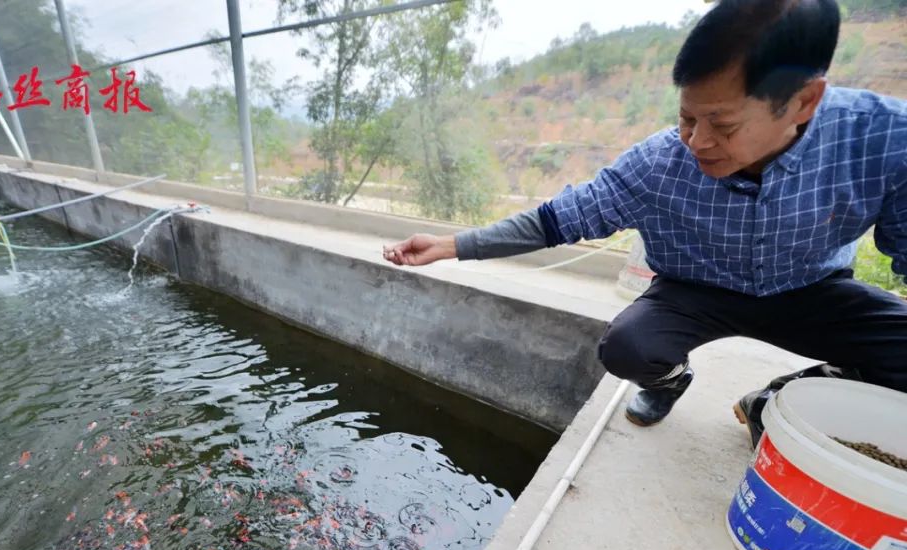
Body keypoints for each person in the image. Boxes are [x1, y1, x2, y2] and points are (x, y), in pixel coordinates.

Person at [382, 0, 907, 447]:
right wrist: (451, 245)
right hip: (694, 289)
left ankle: (780, 401)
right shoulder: (658, 163)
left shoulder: (882, 141)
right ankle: (669, 381)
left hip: (810, 288)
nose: (697, 141)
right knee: (628, 347)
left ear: (803, 102)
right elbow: (557, 219)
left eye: (721, 124)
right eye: (687, 118)